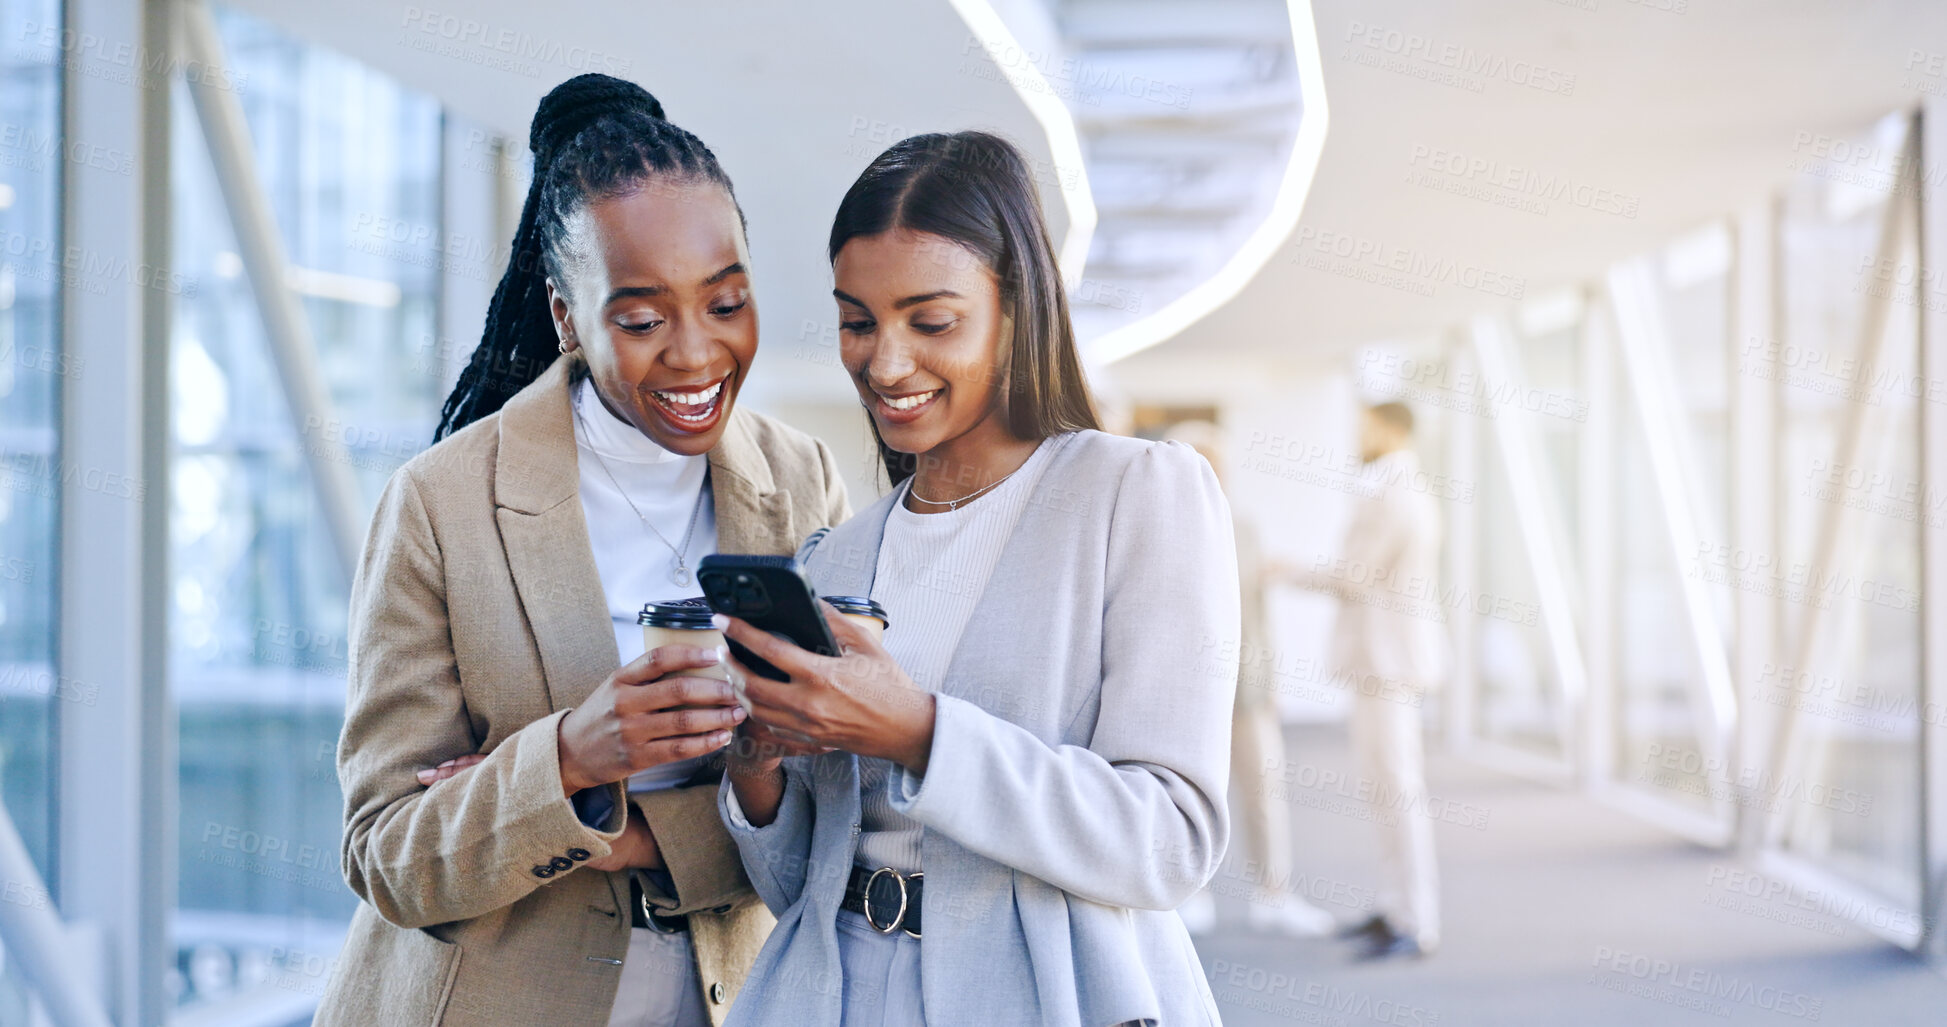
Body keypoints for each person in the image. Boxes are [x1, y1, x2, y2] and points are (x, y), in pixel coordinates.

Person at [314, 74, 851, 1027]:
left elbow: (831, 814)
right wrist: (571, 753)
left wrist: (629, 835)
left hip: (720, 991)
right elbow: (386, 851)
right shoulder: (442, 502)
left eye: (726, 303)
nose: (694, 354)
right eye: (642, 320)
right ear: (567, 315)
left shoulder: (802, 484)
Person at [711, 131, 1239, 1026]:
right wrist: (758, 756)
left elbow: (1171, 839)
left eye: (931, 321)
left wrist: (917, 731)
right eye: (857, 320)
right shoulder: (836, 555)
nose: (883, 363)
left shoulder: (1134, 492)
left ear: (1016, 309)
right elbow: (799, 881)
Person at [1271, 401, 1446, 960]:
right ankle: (1398, 908)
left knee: (1398, 791)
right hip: (1380, 663)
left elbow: (1354, 577)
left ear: (1392, 429)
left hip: (1388, 664)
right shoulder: (1395, 490)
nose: (1358, 434)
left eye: (1366, 424)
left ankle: (1415, 922)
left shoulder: (1396, 497)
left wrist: (1282, 570)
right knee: (1386, 791)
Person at [1165, 421, 1335, 939]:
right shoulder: (1164, 525)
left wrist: (1274, 682)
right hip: (1188, 688)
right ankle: (1191, 893)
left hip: (1247, 683)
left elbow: (1259, 613)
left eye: (1220, 463)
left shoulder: (1245, 526)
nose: (1217, 473)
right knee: (1190, 793)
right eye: (1207, 461)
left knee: (1264, 788)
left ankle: (1274, 893)